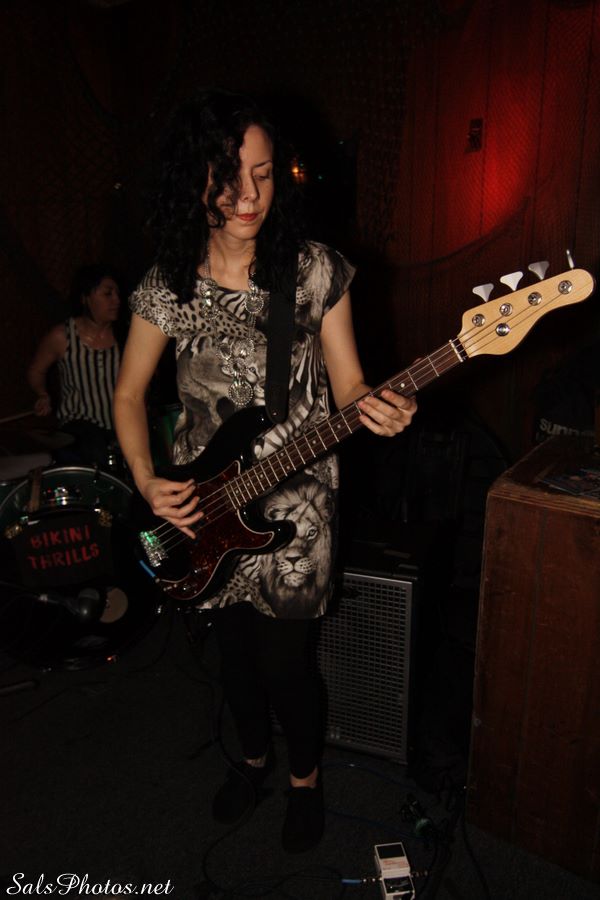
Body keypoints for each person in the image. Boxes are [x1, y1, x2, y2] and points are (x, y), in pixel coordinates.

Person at [113, 89, 417, 853]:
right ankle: (252, 762)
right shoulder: (168, 285)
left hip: (299, 508)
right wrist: (147, 479)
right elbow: (128, 393)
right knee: (234, 659)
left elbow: (350, 386)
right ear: (194, 179)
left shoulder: (312, 272)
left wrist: (376, 406)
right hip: (206, 506)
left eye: (264, 173)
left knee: (287, 664)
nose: (249, 195)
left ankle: (304, 782)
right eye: (227, 176)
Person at [28, 264, 122, 468]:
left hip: (122, 424)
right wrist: (42, 393)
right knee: (92, 446)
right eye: (108, 294)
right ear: (85, 298)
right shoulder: (62, 336)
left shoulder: (124, 335)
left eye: (117, 293)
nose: (116, 300)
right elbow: (36, 370)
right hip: (79, 427)